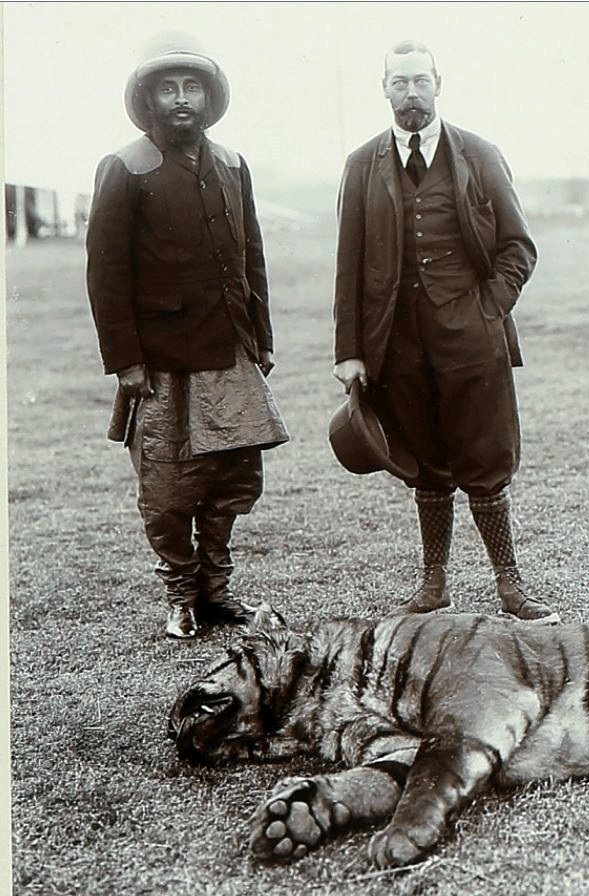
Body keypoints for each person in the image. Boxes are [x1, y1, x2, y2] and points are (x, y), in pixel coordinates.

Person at [332, 39, 553, 621]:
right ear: (384, 88)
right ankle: (433, 585)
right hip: (397, 344)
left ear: (439, 83)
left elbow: (518, 247)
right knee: (426, 462)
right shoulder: (361, 166)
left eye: (420, 81)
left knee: (484, 459)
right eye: (399, 82)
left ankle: (511, 586)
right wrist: (350, 351)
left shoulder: (479, 155)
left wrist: (488, 309)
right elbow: (348, 266)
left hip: (473, 340)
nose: (411, 93)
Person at [86, 32, 288, 640]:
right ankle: (180, 596)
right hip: (161, 363)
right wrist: (125, 360)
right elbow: (105, 273)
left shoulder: (232, 165)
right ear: (149, 99)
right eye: (168, 89)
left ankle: (217, 591)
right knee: (169, 488)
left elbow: (252, 257)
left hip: (231, 354)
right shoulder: (124, 168)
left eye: (191, 87)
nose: (181, 100)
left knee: (234, 478)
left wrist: (262, 339)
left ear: (209, 96)